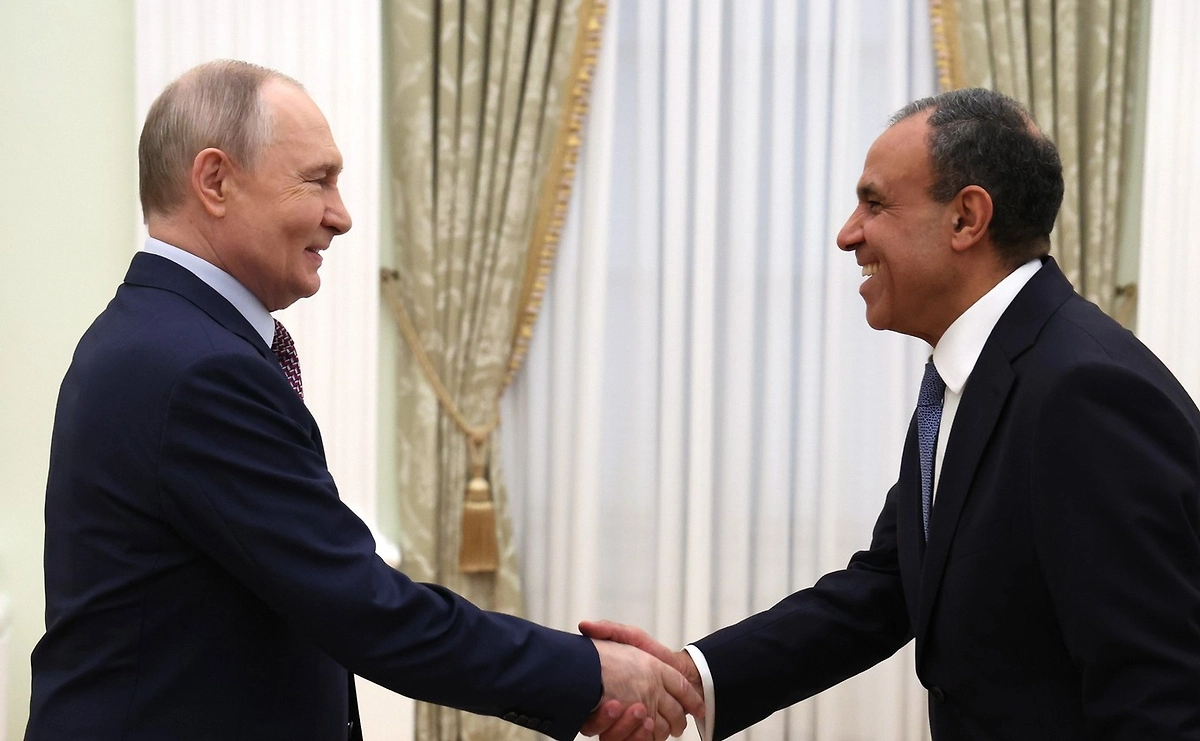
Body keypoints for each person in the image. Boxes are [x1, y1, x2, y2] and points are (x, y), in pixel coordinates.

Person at [25, 59, 701, 741]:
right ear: (216, 181)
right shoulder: (199, 367)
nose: (342, 216)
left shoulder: (157, 335)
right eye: (317, 179)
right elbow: (362, 606)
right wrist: (588, 672)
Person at [582, 87, 1200, 740]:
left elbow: (1158, 688)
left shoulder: (1084, 389)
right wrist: (693, 676)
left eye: (874, 204)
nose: (848, 234)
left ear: (966, 219)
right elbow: (888, 586)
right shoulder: (973, 374)